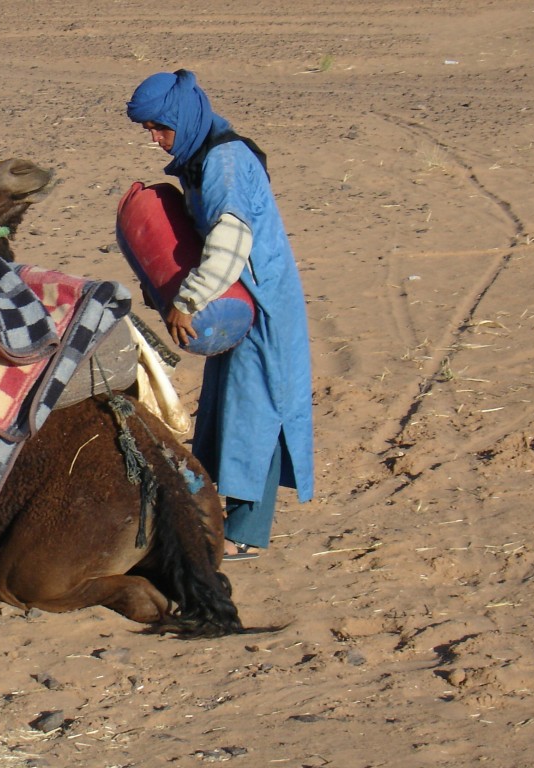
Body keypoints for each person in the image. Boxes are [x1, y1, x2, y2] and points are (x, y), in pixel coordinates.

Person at [126, 69, 314, 561]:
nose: (154, 139)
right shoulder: (201, 156)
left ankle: (245, 532)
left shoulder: (225, 162)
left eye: (159, 128)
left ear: (182, 118)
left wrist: (188, 300)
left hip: (263, 301)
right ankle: (215, 514)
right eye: (147, 129)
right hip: (235, 299)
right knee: (226, 407)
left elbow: (231, 238)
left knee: (259, 411)